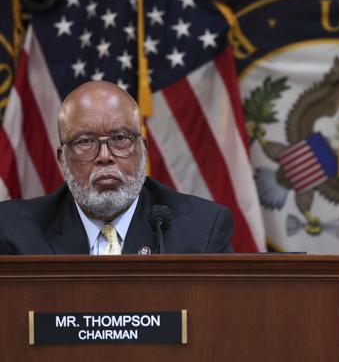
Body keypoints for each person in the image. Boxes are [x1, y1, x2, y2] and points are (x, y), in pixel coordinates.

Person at [0, 81, 233, 255]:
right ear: (62, 159)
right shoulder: (14, 231)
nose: (105, 157)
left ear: (143, 148)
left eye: (120, 138)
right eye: (85, 142)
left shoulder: (201, 228)